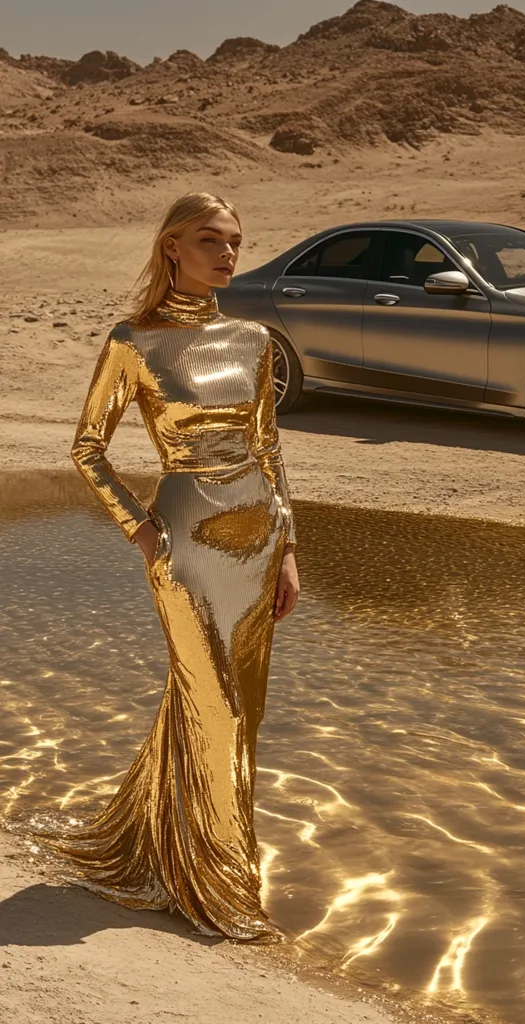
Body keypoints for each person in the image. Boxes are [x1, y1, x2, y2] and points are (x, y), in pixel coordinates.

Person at [36, 192, 299, 941]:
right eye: (210, 240)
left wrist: (289, 551)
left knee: (237, 716)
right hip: (184, 539)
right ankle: (225, 893)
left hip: (258, 542)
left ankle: (174, 853)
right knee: (214, 709)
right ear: (171, 247)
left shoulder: (254, 338)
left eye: (237, 243)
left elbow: (270, 448)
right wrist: (140, 530)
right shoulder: (133, 341)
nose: (227, 254)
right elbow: (87, 448)